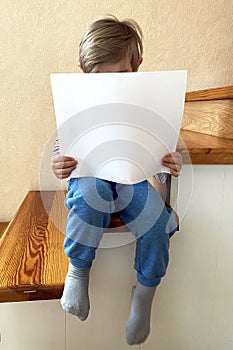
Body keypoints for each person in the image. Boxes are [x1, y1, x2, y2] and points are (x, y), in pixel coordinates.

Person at [51, 16, 182, 346]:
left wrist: (168, 163)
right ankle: (78, 272)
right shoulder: (78, 104)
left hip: (131, 180)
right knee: (89, 193)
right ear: (85, 75)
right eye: (100, 79)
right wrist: (60, 163)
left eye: (122, 76)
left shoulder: (150, 105)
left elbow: (161, 152)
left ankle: (145, 295)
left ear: (137, 67)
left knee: (155, 220)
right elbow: (62, 145)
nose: (112, 87)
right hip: (90, 176)